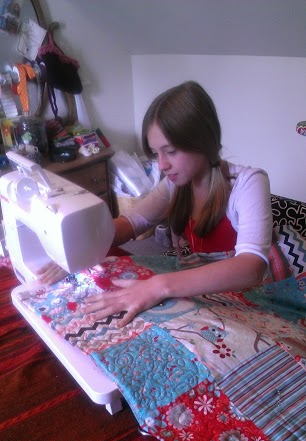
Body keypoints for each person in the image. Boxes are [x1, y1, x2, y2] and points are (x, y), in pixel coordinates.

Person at [38, 81, 272, 328]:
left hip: (245, 295)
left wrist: (158, 286)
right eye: (156, 153)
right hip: (199, 286)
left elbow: (251, 267)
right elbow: (131, 222)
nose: (161, 165)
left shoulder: (248, 182)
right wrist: (77, 251)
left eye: (170, 151)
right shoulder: (176, 184)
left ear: (203, 141)